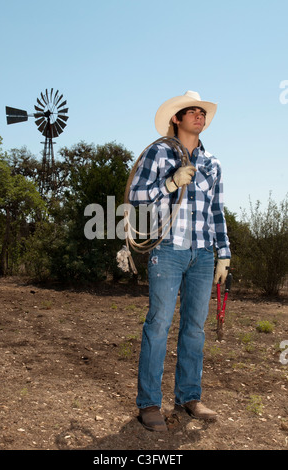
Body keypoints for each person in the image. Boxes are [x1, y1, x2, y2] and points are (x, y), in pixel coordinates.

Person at [128, 90, 231, 432]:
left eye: (202, 112)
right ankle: (149, 404)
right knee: (158, 325)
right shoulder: (158, 152)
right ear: (177, 118)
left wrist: (224, 253)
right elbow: (134, 195)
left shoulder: (212, 162)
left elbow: (216, 210)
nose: (199, 115)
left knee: (195, 329)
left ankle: (189, 397)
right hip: (168, 249)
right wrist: (170, 182)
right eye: (192, 111)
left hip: (202, 253)